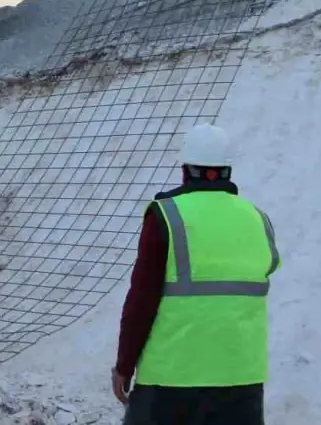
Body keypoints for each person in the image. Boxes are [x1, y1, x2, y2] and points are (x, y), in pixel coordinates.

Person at [111, 123, 281, 424]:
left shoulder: (167, 214)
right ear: (228, 168)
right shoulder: (258, 218)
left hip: (171, 378)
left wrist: (124, 364)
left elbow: (142, 299)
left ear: (185, 168)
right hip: (242, 378)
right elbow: (268, 266)